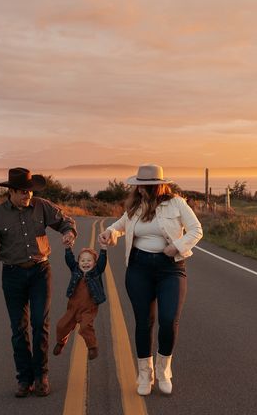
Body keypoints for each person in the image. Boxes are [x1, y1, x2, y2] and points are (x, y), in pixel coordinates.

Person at [0, 167, 77, 398]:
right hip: (12, 275)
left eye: (29, 192)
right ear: (11, 192)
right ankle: (24, 378)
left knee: (40, 324)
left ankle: (41, 376)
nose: (27, 196)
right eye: (22, 192)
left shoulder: (42, 206)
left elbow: (65, 221)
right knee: (18, 329)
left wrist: (68, 233)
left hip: (40, 272)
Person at [98, 164, 203, 396]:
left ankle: (164, 370)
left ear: (159, 186)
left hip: (171, 268)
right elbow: (121, 225)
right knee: (143, 322)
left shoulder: (176, 203)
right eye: (140, 186)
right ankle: (145, 374)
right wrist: (111, 233)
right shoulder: (136, 206)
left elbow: (196, 230)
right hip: (139, 267)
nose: (142, 190)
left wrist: (176, 247)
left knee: (168, 319)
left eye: (147, 186)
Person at [53, 243, 107, 361]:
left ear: (94, 263)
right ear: (78, 262)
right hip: (73, 307)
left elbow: (102, 264)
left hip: (89, 308)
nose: (85, 263)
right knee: (62, 325)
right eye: (82, 260)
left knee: (85, 326)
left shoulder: (96, 272)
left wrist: (103, 249)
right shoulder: (75, 270)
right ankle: (60, 343)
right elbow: (69, 261)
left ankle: (92, 347)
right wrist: (68, 248)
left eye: (89, 260)